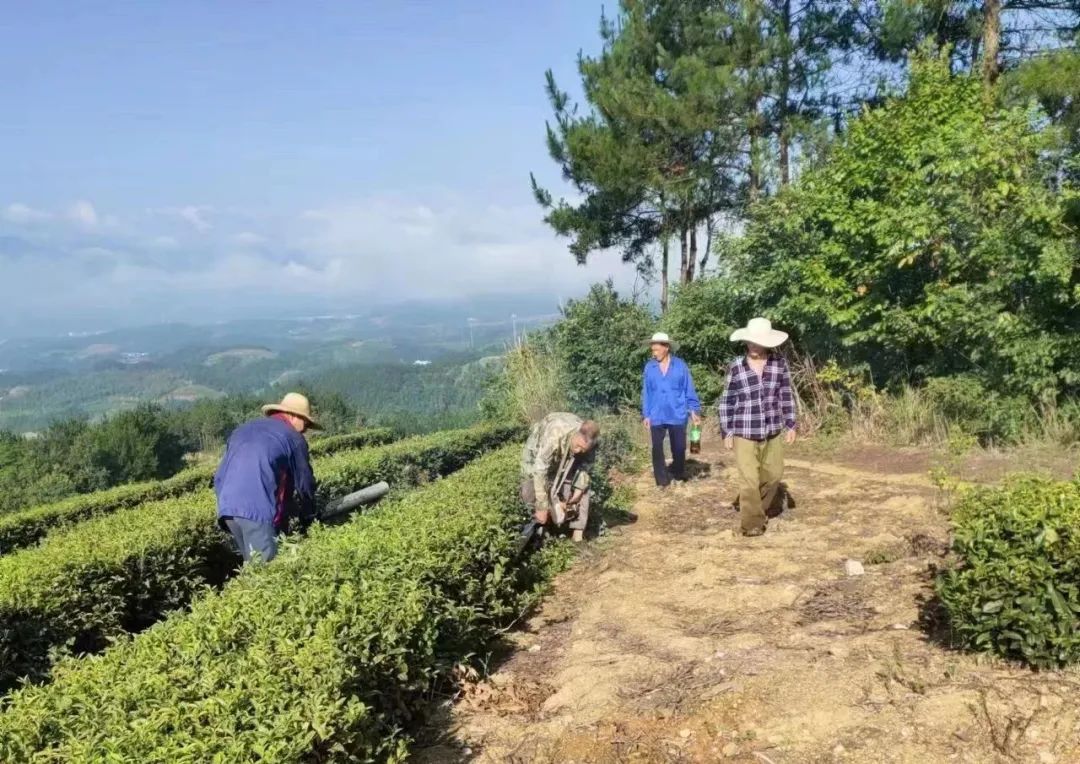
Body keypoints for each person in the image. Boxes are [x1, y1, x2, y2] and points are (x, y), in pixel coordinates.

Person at [213, 392, 320, 563]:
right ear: (293, 416)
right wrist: (309, 515)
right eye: (305, 423)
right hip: (256, 511)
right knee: (266, 570)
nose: (305, 429)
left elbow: (219, 477)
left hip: (227, 509)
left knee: (252, 566)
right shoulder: (293, 437)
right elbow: (304, 482)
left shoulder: (243, 430)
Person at [717, 318, 797, 537]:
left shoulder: (778, 364)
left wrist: (791, 424)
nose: (753, 345)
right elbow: (727, 400)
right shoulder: (736, 366)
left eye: (758, 341)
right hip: (743, 430)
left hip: (772, 429)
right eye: (750, 341)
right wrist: (727, 431)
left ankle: (758, 508)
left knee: (774, 475)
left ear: (767, 343)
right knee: (749, 480)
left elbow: (786, 395)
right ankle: (752, 524)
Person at [520, 413, 600, 544]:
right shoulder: (554, 435)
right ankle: (542, 527)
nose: (579, 451)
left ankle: (577, 535)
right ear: (576, 435)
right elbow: (540, 470)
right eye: (578, 446)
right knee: (530, 489)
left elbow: (586, 467)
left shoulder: (592, 442)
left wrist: (579, 490)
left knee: (583, 485)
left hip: (565, 446)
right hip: (538, 450)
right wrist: (541, 506)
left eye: (583, 449)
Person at [641, 332, 702, 488]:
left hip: (677, 412)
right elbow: (646, 392)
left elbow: (689, 388)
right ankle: (662, 481)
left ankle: (678, 473)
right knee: (657, 449)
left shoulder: (680, 366)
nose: (654, 353)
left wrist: (694, 410)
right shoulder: (649, 367)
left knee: (679, 448)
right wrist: (646, 414)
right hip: (656, 413)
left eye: (656, 350)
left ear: (666, 348)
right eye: (652, 350)